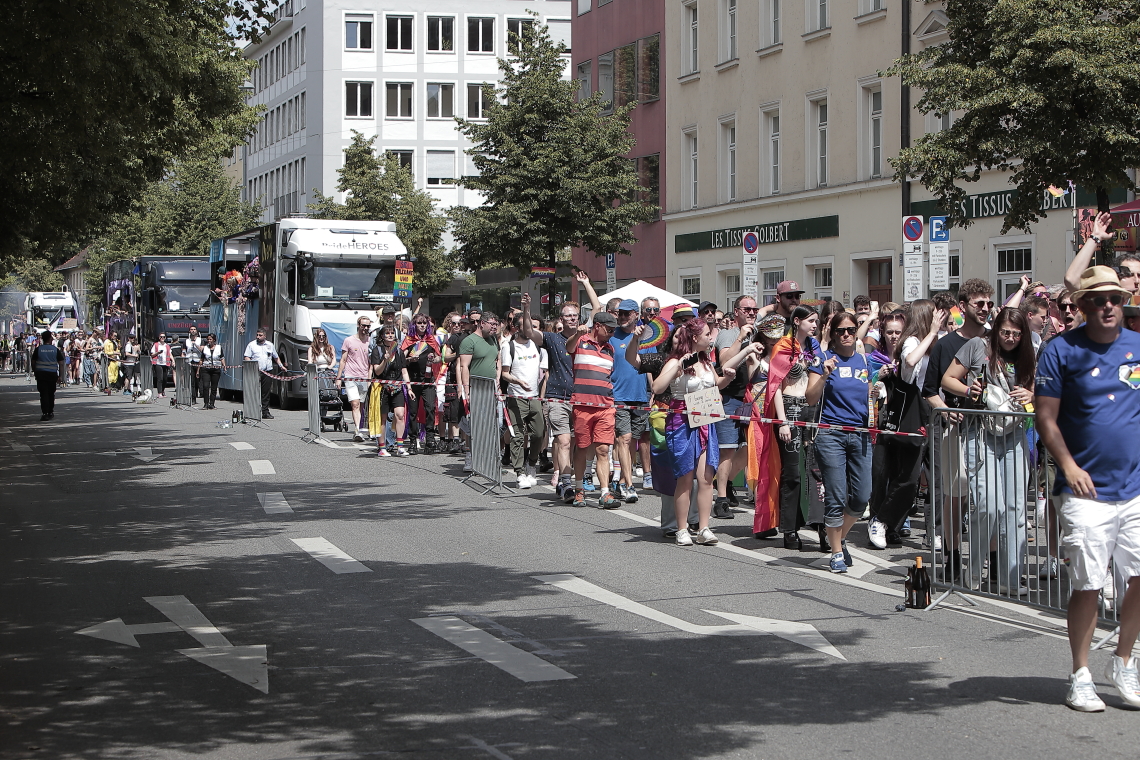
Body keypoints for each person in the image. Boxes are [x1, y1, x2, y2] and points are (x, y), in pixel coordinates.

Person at [1035, 266, 1140, 711]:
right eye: (1098, 300)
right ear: (1082, 306)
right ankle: (1080, 674)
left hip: (1135, 487)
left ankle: (1124, 661)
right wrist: (1069, 465)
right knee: (1089, 585)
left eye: (1115, 298)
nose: (1108, 306)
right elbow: (1045, 417)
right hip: (1085, 492)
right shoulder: (1061, 351)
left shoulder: (1137, 348)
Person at [942, 306, 1036, 595]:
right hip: (979, 432)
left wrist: (1031, 395)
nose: (1010, 338)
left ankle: (1011, 578)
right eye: (1005, 332)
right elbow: (948, 379)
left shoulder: (1027, 356)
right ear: (997, 330)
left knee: (1016, 509)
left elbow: (1038, 394)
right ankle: (973, 571)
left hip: (1014, 434)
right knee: (988, 506)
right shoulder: (977, 346)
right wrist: (969, 391)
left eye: (1016, 334)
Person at [651, 317, 758, 545]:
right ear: (695, 336)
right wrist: (677, 368)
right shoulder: (676, 360)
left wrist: (729, 375)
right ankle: (681, 529)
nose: (711, 338)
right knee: (685, 478)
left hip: (706, 418)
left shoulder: (706, 361)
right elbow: (657, 387)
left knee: (706, 478)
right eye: (708, 334)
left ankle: (704, 527)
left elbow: (716, 382)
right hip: (681, 421)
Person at [922, 279, 995, 569]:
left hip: (990, 429)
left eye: (989, 304)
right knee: (956, 495)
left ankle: (991, 558)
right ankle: (952, 555)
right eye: (979, 304)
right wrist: (944, 410)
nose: (986, 309)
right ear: (963, 307)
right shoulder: (946, 345)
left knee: (988, 498)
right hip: (956, 427)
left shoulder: (995, 339)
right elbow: (929, 390)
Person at [867, 300, 946, 549]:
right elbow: (909, 365)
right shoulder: (912, 341)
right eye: (934, 315)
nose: (939, 319)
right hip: (913, 413)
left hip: (937, 414)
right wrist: (932, 332)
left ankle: (934, 530)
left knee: (938, 478)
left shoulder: (938, 342)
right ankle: (881, 520)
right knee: (909, 478)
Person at [523, 271, 602, 498]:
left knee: (581, 443)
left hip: (581, 397)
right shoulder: (551, 338)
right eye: (567, 316)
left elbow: (597, 309)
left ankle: (576, 480)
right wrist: (527, 309)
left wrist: (586, 282)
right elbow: (528, 332)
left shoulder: (585, 335)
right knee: (563, 440)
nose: (571, 319)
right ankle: (565, 482)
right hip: (558, 396)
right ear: (560, 319)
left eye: (575, 315)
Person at [807, 311, 873, 573]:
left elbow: (864, 394)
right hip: (830, 434)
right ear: (831, 334)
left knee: (861, 496)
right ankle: (835, 551)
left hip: (860, 433)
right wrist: (823, 375)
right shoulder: (823, 359)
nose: (846, 335)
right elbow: (811, 398)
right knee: (836, 495)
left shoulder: (864, 360)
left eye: (850, 330)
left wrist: (876, 392)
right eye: (840, 331)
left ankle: (840, 536)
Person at [744, 314, 795, 540]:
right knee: (762, 468)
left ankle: (777, 518)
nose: (774, 342)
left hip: (780, 418)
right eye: (770, 338)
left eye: (777, 338)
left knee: (781, 471)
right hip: (761, 420)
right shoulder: (755, 358)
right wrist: (746, 346)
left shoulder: (786, 356)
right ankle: (764, 520)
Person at [713, 295, 762, 518]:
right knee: (727, 449)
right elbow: (724, 362)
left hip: (748, 399)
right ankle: (721, 498)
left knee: (747, 449)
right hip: (727, 398)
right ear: (736, 312)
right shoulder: (728, 333)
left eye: (754, 309)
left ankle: (728, 482)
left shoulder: (758, 333)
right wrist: (741, 339)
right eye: (747, 309)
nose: (751, 313)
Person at [501, 295, 546, 487]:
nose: (530, 330)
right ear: (518, 328)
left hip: (534, 397)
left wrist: (541, 397)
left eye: (534, 326)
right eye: (527, 326)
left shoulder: (538, 346)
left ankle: (531, 464)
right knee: (518, 435)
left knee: (538, 433)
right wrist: (517, 381)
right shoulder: (508, 347)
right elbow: (504, 374)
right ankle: (519, 472)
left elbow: (545, 373)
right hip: (516, 396)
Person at [609, 298, 651, 503]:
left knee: (633, 441)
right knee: (623, 439)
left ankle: (621, 480)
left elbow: (651, 368)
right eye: (620, 313)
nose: (623, 317)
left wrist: (653, 393)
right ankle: (629, 484)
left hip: (641, 396)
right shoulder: (611, 337)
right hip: (618, 395)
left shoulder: (648, 336)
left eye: (627, 313)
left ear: (636, 315)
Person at [458, 310, 502, 472]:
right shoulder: (469, 341)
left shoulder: (493, 340)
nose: (494, 328)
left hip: (491, 389)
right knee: (474, 425)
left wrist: (497, 380)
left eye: (496, 325)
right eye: (492, 324)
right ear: (481, 323)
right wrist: (466, 390)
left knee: (491, 425)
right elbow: (464, 367)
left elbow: (497, 361)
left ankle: (487, 459)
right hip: (476, 388)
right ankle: (470, 457)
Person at [370, 325, 413, 456]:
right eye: (387, 333)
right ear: (382, 336)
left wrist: (409, 388)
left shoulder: (399, 351)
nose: (390, 335)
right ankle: (382, 447)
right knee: (382, 418)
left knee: (400, 414)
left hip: (398, 387)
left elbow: (404, 371)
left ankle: (400, 446)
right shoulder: (377, 350)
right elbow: (377, 371)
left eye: (392, 333)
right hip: (382, 388)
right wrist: (385, 360)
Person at [401, 314, 441, 453]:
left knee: (430, 408)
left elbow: (439, 357)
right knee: (413, 411)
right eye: (419, 323)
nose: (422, 325)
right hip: (413, 380)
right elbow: (402, 358)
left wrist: (433, 359)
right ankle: (413, 440)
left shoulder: (431, 339)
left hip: (428, 380)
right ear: (414, 325)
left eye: (425, 323)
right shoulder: (409, 340)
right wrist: (410, 359)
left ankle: (430, 439)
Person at [336, 316, 374, 440]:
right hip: (350, 376)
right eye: (363, 325)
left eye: (368, 326)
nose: (366, 328)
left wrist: (369, 379)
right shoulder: (349, 340)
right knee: (355, 403)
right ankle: (358, 430)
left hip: (364, 377)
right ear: (358, 325)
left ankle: (361, 428)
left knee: (362, 405)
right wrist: (338, 377)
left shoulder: (371, 341)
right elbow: (343, 360)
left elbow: (371, 363)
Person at [243, 327, 287, 420]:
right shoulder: (251, 345)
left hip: (267, 372)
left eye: (260, 335)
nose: (258, 337)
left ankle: (265, 412)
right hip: (256, 372)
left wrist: (281, 366)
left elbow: (276, 357)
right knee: (254, 392)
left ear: (265, 336)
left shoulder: (270, 345)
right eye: (257, 335)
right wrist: (252, 366)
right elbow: (247, 357)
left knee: (265, 392)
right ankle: (253, 412)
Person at [31, 330, 63, 420]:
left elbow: (33, 362)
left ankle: (45, 412)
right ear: (50, 338)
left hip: (41, 374)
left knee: (43, 394)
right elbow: (61, 363)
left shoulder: (39, 349)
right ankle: (50, 411)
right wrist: (60, 376)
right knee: (51, 393)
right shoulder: (55, 349)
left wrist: (35, 371)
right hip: (52, 374)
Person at [199, 333, 224, 409]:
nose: (209, 341)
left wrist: (224, 366)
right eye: (208, 339)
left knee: (214, 387)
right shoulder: (205, 348)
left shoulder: (219, 348)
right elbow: (201, 360)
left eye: (210, 339)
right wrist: (198, 370)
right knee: (206, 386)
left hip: (216, 370)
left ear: (214, 340)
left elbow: (222, 358)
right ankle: (206, 403)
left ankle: (212, 404)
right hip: (206, 369)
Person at [184, 326, 203, 405]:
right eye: (191, 329)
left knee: (197, 381)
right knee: (191, 381)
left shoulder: (200, 340)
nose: (193, 331)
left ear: (197, 331)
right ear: (189, 331)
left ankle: (198, 393)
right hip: (189, 362)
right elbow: (183, 351)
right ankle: (193, 398)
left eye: (194, 329)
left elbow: (202, 350)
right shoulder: (186, 341)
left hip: (198, 362)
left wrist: (195, 344)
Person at [151, 333, 173, 397]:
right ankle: (159, 392)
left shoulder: (167, 346)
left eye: (163, 337)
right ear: (159, 337)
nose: (162, 338)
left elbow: (170, 354)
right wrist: (158, 352)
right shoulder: (156, 345)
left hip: (166, 363)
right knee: (160, 378)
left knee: (165, 379)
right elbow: (152, 354)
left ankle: (163, 391)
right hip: (158, 363)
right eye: (161, 337)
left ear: (165, 338)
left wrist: (173, 361)